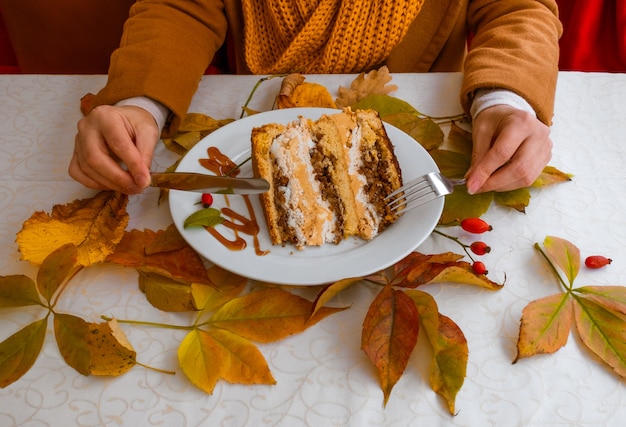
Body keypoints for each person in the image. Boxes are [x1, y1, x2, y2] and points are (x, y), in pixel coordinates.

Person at [68, 0, 562, 196]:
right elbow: (178, 8)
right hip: (260, 131)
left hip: (418, 143)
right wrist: (140, 103)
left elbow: (519, 8)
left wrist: (503, 99)